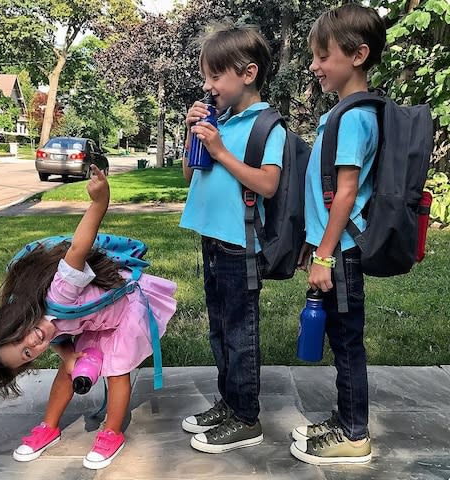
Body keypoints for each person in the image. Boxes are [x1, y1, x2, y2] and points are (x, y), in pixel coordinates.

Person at [0, 165, 177, 470]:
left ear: (12, 323)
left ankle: (112, 432)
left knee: (117, 369)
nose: (34, 343)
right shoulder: (37, 321)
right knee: (69, 369)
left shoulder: (59, 294)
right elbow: (57, 336)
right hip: (96, 321)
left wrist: (99, 203)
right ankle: (49, 428)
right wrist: (68, 356)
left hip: (125, 310)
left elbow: (79, 248)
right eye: (28, 354)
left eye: (20, 339)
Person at [179, 24, 286, 454]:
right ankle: (229, 402)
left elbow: (268, 185)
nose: (208, 87)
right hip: (212, 240)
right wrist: (194, 135)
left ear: (247, 73)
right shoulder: (218, 121)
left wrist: (222, 150)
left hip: (241, 247)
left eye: (215, 77)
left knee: (241, 333)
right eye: (205, 78)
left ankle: (246, 417)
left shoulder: (266, 127)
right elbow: (190, 174)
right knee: (220, 329)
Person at [290, 3, 386, 465]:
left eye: (323, 56)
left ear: (358, 55)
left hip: (343, 251)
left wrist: (326, 253)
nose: (315, 66)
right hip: (333, 247)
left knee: (348, 342)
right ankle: (344, 416)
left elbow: (345, 193)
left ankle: (354, 434)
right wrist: (316, 247)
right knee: (340, 338)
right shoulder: (343, 114)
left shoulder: (353, 119)